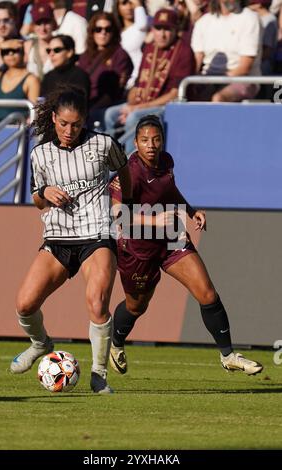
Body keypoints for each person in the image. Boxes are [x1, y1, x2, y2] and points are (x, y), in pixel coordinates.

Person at [109, 115, 263, 377]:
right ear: (135, 142)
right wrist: (154, 220)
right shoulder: (129, 173)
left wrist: (191, 211)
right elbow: (117, 215)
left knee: (207, 293)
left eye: (156, 139)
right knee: (137, 306)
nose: (151, 145)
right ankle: (116, 344)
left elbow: (170, 191)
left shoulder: (166, 161)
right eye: (145, 140)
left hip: (171, 236)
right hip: (137, 246)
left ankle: (228, 356)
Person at [10, 85, 132, 394]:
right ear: (53, 118)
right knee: (25, 304)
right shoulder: (41, 154)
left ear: (85, 120)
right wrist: (45, 193)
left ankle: (99, 374)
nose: (69, 130)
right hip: (58, 237)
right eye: (63, 123)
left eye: (76, 124)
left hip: (97, 233)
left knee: (96, 303)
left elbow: (124, 169)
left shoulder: (103, 144)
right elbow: (37, 198)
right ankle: (41, 344)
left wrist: (121, 203)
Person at [104, 8, 195, 155]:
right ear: (152, 29)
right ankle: (110, 159)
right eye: (158, 28)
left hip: (168, 107)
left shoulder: (184, 51)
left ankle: (131, 166)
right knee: (111, 114)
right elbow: (139, 84)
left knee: (134, 117)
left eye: (167, 29)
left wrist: (136, 109)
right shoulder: (150, 47)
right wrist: (132, 104)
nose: (162, 34)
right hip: (143, 103)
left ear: (175, 30)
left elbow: (175, 94)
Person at [191, 0, 262, 102]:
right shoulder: (203, 22)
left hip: (244, 80)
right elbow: (197, 61)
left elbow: (244, 68)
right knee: (191, 96)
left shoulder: (250, 18)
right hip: (208, 79)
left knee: (218, 98)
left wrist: (214, 81)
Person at [78, 11, 133, 129]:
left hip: (105, 105)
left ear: (114, 32)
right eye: (98, 29)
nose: (103, 33)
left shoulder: (120, 55)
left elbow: (114, 92)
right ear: (92, 32)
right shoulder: (85, 56)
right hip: (83, 103)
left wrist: (89, 111)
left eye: (108, 29)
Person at [0, 38, 40, 122]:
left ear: (23, 53)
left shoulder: (31, 79)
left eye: (15, 50)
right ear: (2, 55)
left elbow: (34, 113)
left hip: (18, 131)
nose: (10, 54)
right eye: (6, 51)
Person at [40, 34, 90, 99]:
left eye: (57, 50)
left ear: (69, 52)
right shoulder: (48, 77)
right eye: (49, 51)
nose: (51, 54)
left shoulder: (80, 76)